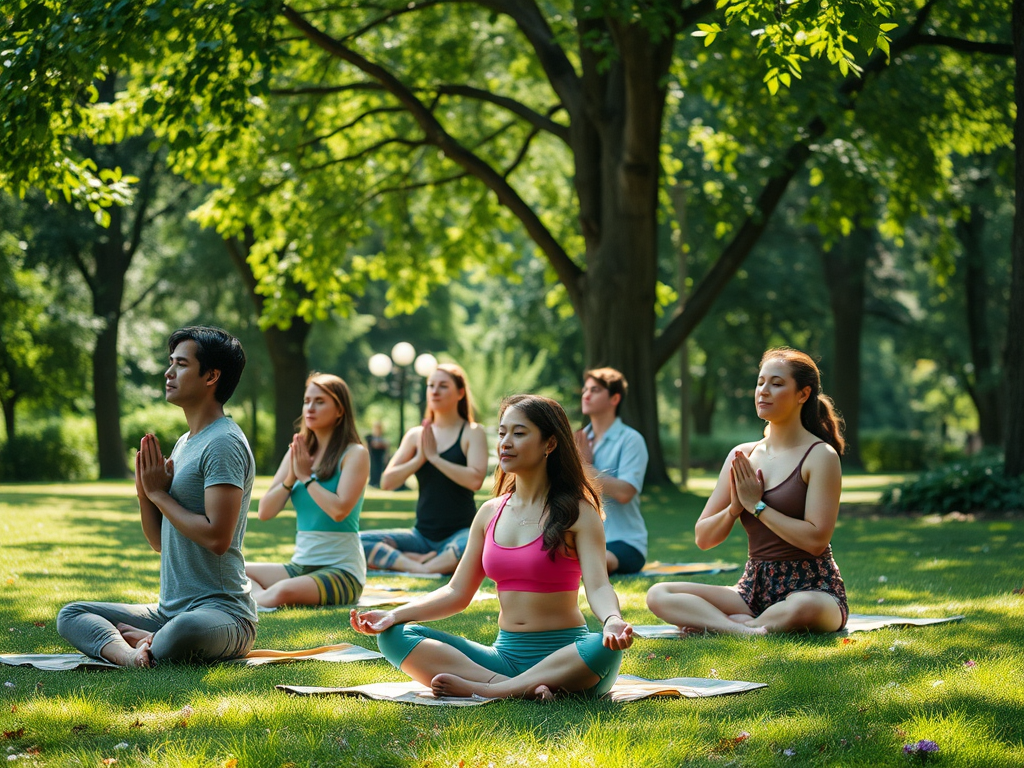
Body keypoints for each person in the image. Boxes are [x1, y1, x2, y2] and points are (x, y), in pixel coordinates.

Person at [351, 395, 633, 700]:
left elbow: (599, 586)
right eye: (501, 433)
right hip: (504, 659)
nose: (505, 443)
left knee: (601, 648)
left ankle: (491, 690)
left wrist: (612, 620)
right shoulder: (489, 513)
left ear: (549, 444)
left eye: (519, 433)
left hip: (568, 657)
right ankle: (518, 688)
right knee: (394, 635)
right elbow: (456, 592)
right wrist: (395, 614)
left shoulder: (578, 512)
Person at [57, 326, 257, 667]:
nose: (168, 372)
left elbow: (217, 537)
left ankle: (152, 641)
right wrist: (144, 495)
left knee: (186, 629)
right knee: (72, 614)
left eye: (180, 364)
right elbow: (159, 541)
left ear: (211, 376)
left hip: (223, 616)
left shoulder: (223, 443)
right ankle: (133, 654)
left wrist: (158, 495)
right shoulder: (185, 442)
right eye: (171, 362)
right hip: (167, 612)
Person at [646, 347, 849, 635]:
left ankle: (729, 625)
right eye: (760, 382)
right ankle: (743, 629)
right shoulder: (742, 455)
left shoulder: (820, 456)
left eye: (776, 384)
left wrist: (758, 507)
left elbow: (816, 540)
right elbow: (703, 537)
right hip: (752, 589)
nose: (763, 391)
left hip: (813, 588)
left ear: (803, 394)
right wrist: (734, 509)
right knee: (659, 594)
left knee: (804, 608)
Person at [245, 373, 370, 609]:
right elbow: (265, 512)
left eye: (320, 401)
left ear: (340, 410)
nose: (310, 408)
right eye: (307, 401)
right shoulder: (297, 453)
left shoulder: (355, 454)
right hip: (300, 567)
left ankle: (246, 602)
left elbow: (339, 510)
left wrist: (306, 477)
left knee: (281, 591)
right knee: (232, 570)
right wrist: (292, 476)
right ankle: (254, 598)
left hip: (343, 572)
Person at [361, 364, 487, 574]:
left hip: (460, 534)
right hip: (420, 536)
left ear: (460, 393)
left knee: (473, 546)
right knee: (356, 541)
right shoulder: (416, 435)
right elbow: (387, 482)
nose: (435, 391)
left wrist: (436, 459)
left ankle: (414, 564)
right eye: (431, 385)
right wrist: (419, 458)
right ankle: (420, 564)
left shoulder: (472, 432)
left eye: (443, 386)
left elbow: (475, 480)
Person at [574, 368, 649, 574]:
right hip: (582, 538)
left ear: (615, 398)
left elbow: (625, 492)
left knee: (592, 563)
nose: (586, 395)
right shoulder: (577, 440)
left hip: (624, 543)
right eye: (585, 389)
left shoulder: (631, 440)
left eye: (595, 390)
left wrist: (583, 467)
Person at [366, 421, 390, 487]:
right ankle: (373, 482)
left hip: (379, 458)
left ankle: (377, 483)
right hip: (372, 457)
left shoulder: (382, 439)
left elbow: (386, 446)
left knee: (379, 471)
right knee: (373, 470)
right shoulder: (370, 437)